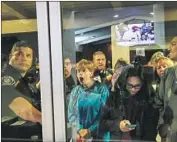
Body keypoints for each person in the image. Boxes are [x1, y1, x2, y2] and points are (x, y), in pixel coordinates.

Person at [100, 65, 158, 141]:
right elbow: (102, 123)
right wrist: (118, 125)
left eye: (137, 86)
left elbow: (151, 129)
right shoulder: (114, 97)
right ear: (124, 83)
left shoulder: (148, 99)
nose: (133, 89)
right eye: (130, 85)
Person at [68, 59, 110, 141]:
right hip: (80, 135)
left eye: (83, 71)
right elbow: (71, 113)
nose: (80, 73)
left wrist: (90, 130)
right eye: (78, 71)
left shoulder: (102, 90)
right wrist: (80, 129)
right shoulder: (75, 91)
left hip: (98, 136)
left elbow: (103, 115)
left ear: (91, 73)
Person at [1, 40, 42, 125]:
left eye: (28, 55)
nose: (24, 58)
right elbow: (25, 111)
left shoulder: (24, 80)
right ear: (10, 57)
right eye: (19, 54)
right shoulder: (6, 77)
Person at [155, 36, 177, 142]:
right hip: (170, 133)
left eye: (173, 44)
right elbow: (159, 102)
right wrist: (162, 125)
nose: (169, 48)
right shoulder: (168, 73)